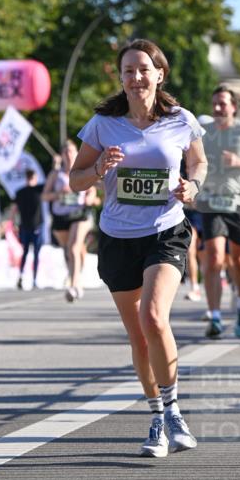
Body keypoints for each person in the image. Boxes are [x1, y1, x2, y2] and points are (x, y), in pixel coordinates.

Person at [70, 38, 207, 458]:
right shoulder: (102, 124)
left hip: (165, 230)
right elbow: (75, 180)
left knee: (153, 317)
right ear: (122, 78)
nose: (135, 78)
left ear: (159, 74)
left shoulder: (182, 120)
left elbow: (199, 162)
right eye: (128, 71)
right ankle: (155, 416)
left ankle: (173, 412)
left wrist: (193, 185)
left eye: (143, 69)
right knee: (138, 336)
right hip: (117, 237)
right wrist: (97, 169)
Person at [196, 86, 240, 338]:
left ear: (233, 107)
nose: (217, 108)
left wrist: (239, 162)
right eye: (214, 103)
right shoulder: (205, 134)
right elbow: (195, 163)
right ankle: (214, 317)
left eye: (222, 104)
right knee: (213, 257)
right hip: (212, 201)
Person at [42, 140, 97, 301]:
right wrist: (59, 194)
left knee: (74, 247)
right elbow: (44, 196)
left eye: (71, 150)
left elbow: (92, 190)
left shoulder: (82, 169)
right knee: (69, 250)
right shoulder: (55, 174)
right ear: (62, 155)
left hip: (80, 214)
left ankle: (73, 285)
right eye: (65, 151)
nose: (68, 154)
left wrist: (90, 198)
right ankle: (76, 278)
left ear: (76, 153)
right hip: (61, 216)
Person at [14, 168, 44, 289]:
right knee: (33, 253)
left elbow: (14, 209)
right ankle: (32, 279)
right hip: (32, 226)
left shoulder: (20, 192)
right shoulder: (37, 189)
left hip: (28, 226)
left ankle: (26, 276)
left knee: (27, 252)